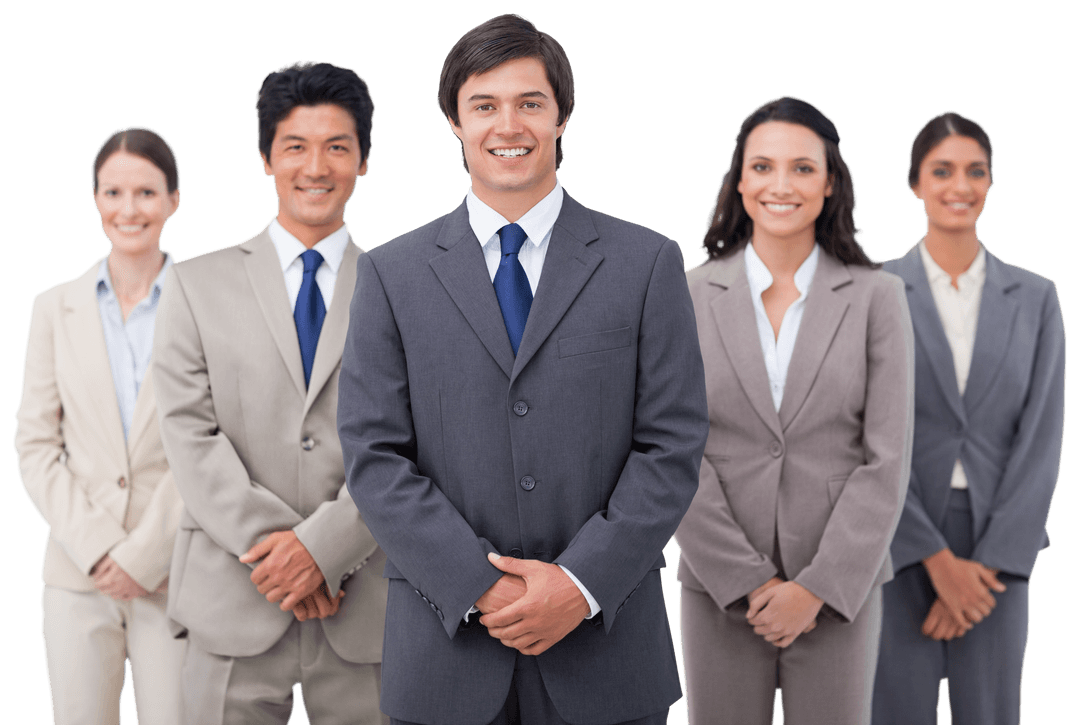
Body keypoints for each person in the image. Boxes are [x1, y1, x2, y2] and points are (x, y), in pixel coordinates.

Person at [336, 14, 708, 725]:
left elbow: (672, 445)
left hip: (605, 655)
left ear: (562, 114)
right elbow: (374, 456)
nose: (508, 126)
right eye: (484, 105)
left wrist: (579, 583)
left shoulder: (646, 263)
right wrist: (480, 585)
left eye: (530, 103)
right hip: (445, 657)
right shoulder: (391, 275)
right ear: (455, 121)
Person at [151, 61, 387, 724]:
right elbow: (189, 436)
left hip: (367, 607)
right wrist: (287, 555)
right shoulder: (195, 285)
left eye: (337, 146)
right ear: (265, 158)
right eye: (295, 147)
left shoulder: (403, 289)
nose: (315, 167)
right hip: (231, 598)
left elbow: (415, 440)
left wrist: (326, 549)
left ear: (364, 160)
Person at [673, 96, 915, 725]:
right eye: (763, 167)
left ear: (830, 182)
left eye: (802, 168)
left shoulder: (879, 298)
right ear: (740, 180)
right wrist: (747, 580)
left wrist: (817, 587)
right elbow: (673, 450)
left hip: (838, 591)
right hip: (720, 588)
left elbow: (887, 460)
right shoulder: (688, 295)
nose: (781, 185)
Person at [871, 111, 1065, 725]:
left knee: (992, 713)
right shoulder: (872, 291)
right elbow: (861, 434)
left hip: (998, 550)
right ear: (914, 183)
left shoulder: (1037, 298)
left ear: (991, 182)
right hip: (897, 540)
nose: (961, 186)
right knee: (894, 711)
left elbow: (1043, 437)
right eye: (942, 171)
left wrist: (984, 567)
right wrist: (934, 559)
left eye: (976, 172)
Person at [14, 125, 185, 724]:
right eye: (113, 193)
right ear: (94, 199)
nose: (128, 209)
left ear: (173, 199)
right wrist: (99, 548)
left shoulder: (205, 303)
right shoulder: (51, 308)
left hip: (174, 573)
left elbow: (214, 442)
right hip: (77, 575)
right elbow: (36, 445)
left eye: (146, 192)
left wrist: (145, 553)